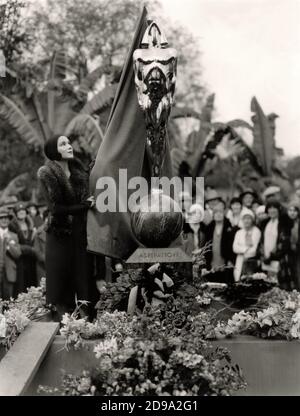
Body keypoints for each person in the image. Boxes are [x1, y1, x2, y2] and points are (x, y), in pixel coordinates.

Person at [38, 135, 98, 318]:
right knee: (59, 282)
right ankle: (61, 323)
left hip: (80, 233)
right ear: (53, 150)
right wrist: (83, 206)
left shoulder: (79, 170)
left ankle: (86, 321)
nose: (69, 146)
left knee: (83, 278)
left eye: (68, 143)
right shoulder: (47, 173)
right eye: (63, 144)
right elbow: (55, 208)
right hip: (59, 235)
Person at [259, 201, 292, 290]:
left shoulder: (284, 223)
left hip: (278, 259)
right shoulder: (264, 223)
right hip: (265, 259)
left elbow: (285, 243)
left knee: (279, 287)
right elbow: (261, 241)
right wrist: (264, 256)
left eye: (274, 208)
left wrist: (272, 256)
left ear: (279, 209)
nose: (272, 210)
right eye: (270, 208)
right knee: (267, 286)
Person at [202, 200, 235, 284]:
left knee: (224, 283)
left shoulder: (229, 227)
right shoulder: (209, 228)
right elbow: (205, 246)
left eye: (220, 212)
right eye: (216, 212)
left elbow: (232, 245)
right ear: (213, 214)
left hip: (225, 260)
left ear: (224, 213)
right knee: (212, 283)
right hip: (212, 260)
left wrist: (231, 260)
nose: (218, 214)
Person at [9, 202, 38, 295]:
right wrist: (30, 249)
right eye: (19, 211)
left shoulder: (31, 224)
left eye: (23, 211)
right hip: (20, 258)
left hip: (31, 258)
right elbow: (15, 244)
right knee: (21, 282)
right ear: (16, 213)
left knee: (32, 279)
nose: (21, 212)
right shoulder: (12, 225)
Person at [233, 209, 261, 282]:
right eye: (244, 219)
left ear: (252, 220)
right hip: (239, 260)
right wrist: (245, 249)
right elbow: (235, 248)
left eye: (249, 218)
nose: (246, 221)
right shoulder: (239, 232)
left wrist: (241, 249)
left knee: (251, 281)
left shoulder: (256, 231)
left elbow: (254, 250)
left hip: (252, 262)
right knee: (239, 280)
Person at [0, 207, 21, 299]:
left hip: (9, 272)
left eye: (6, 218)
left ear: (9, 220)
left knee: (8, 300)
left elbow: (17, 254)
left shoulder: (14, 236)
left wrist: (9, 244)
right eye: (1, 218)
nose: (4, 220)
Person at [287, 203, 300, 290]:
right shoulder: (286, 222)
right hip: (289, 252)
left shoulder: (298, 222)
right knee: (292, 273)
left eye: (294, 211)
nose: (292, 213)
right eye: (290, 210)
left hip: (298, 251)